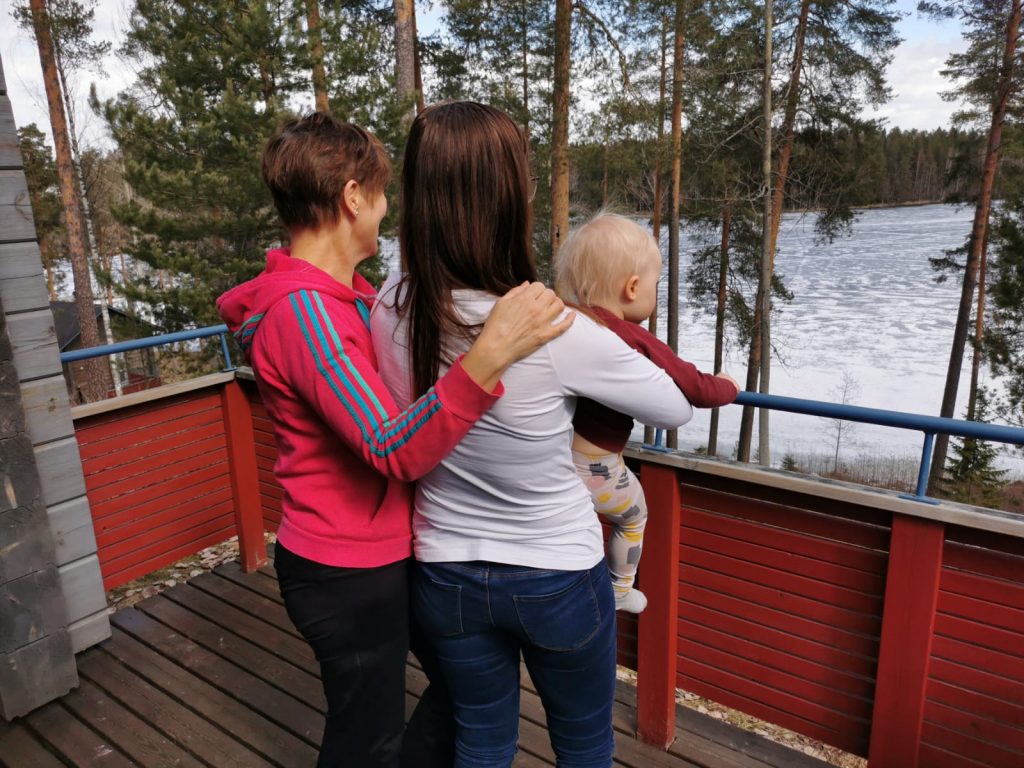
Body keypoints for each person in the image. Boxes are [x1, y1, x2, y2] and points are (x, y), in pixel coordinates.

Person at [216, 111, 573, 768]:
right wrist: (489, 353)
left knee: (463, 687)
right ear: (353, 196)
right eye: (382, 195)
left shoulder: (349, 300)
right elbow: (391, 447)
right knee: (366, 740)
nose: (387, 211)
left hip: (385, 554)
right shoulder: (305, 314)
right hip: (344, 570)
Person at [370, 101, 695, 768]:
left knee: (481, 742)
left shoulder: (389, 309)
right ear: (508, 201)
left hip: (446, 574)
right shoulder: (552, 326)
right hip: (557, 576)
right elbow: (674, 406)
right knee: (583, 746)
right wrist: (605, 324)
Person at [554, 213, 740, 614]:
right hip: (596, 466)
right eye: (655, 285)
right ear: (633, 287)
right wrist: (728, 386)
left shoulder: (566, 321)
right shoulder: (631, 338)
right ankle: (619, 588)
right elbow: (695, 387)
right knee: (634, 515)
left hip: (554, 458)